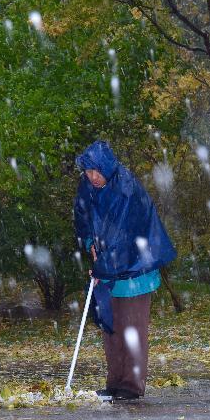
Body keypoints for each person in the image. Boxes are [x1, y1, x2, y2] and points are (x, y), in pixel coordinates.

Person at [73, 140, 177, 401]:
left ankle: (131, 386)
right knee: (111, 324)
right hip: (108, 268)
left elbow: (122, 235)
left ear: (106, 168)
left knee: (132, 326)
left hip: (135, 267)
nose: (92, 177)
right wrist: (90, 245)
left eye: (96, 172)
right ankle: (114, 383)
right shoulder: (87, 186)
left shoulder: (126, 187)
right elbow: (83, 218)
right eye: (88, 172)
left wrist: (101, 265)